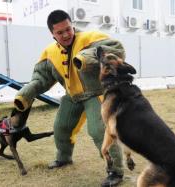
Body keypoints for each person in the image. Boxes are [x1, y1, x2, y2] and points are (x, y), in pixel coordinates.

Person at [13, 10, 125, 186]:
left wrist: (86, 57)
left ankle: (115, 171)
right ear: (52, 34)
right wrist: (25, 94)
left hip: (96, 93)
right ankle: (64, 158)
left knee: (98, 131)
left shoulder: (92, 37)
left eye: (68, 29)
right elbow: (41, 79)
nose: (65, 34)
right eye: (59, 32)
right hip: (72, 96)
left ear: (72, 25)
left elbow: (117, 50)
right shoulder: (49, 53)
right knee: (61, 127)